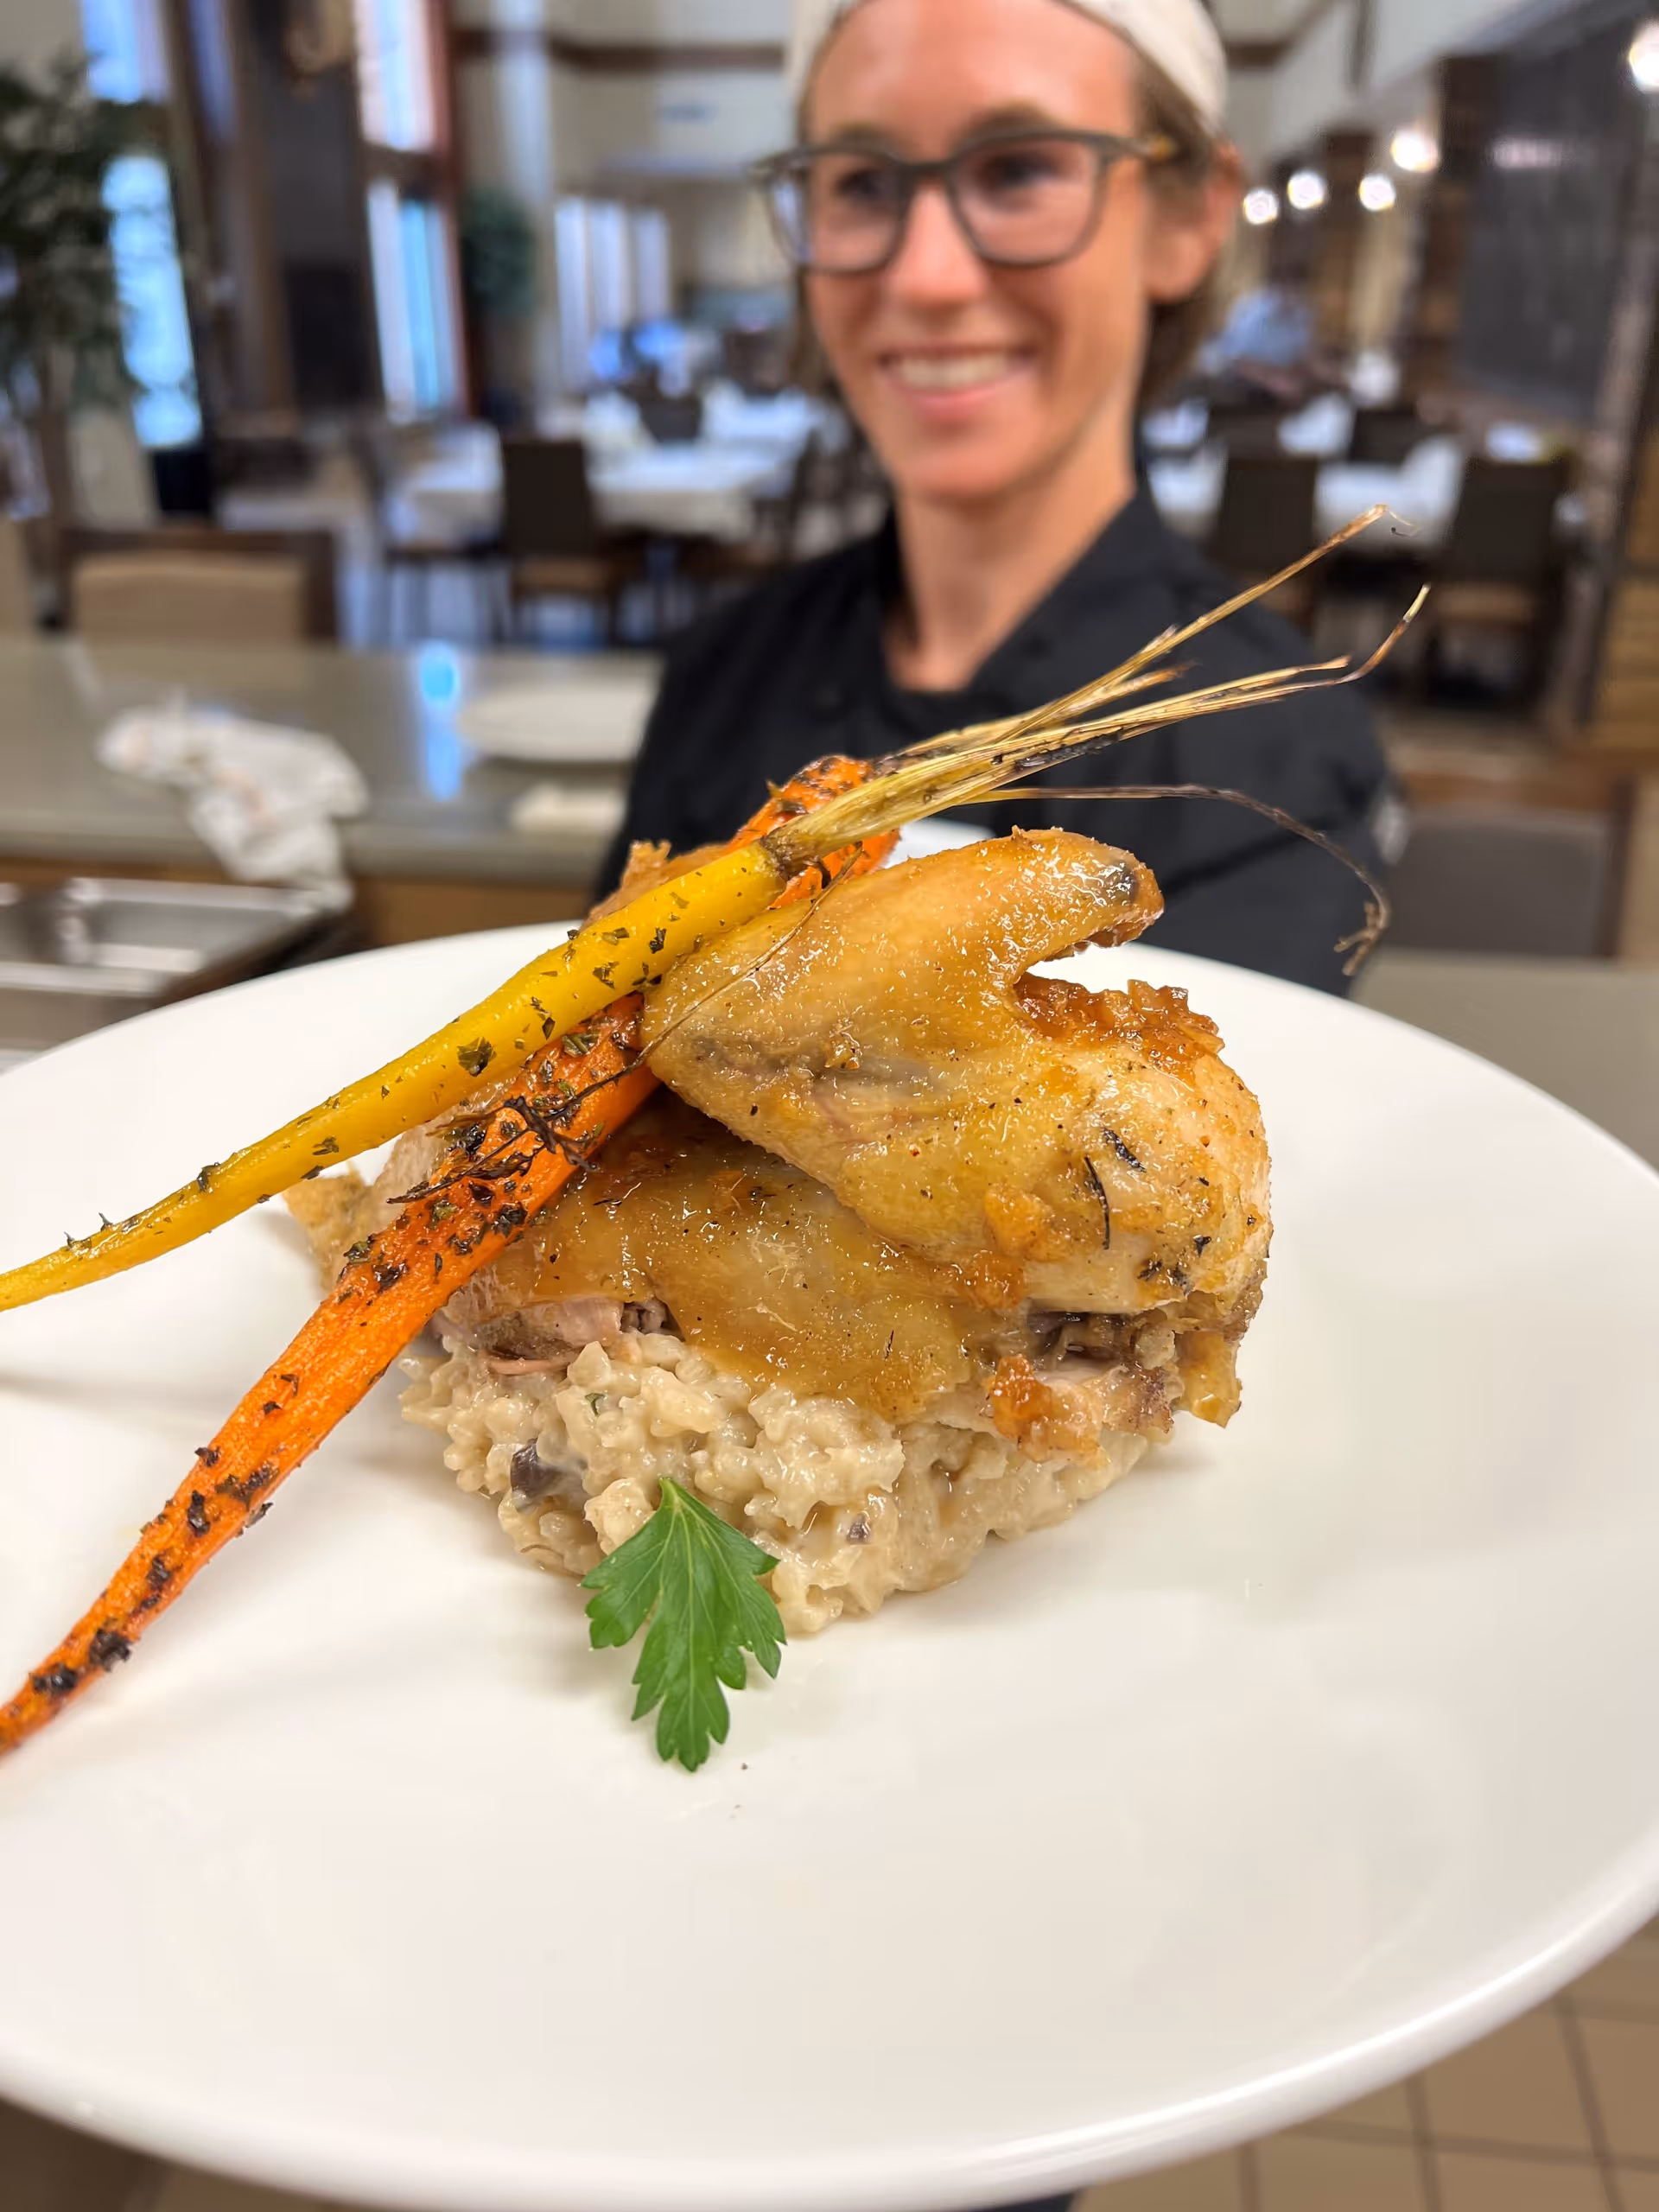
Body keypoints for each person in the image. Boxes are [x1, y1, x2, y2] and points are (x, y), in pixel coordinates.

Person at [601, 0, 1395, 995]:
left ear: (1187, 218)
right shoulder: (720, 675)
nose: (928, 275)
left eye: (1020, 169)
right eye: (861, 183)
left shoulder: (1280, 746)